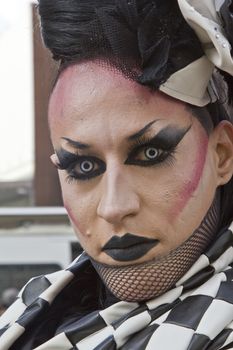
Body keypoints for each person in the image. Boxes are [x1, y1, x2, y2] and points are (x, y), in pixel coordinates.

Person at [0, 0, 233, 349]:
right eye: (83, 167)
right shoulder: (30, 312)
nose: (113, 207)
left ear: (222, 155)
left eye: (151, 153)